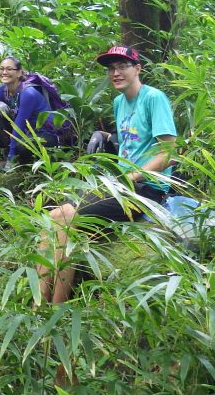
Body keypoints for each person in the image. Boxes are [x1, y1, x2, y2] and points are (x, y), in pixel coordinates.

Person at [38, 45, 177, 305]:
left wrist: (131, 178)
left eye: (122, 66)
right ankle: (39, 303)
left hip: (146, 188)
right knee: (55, 217)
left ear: (138, 68)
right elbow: (132, 142)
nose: (116, 73)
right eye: (111, 68)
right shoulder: (118, 102)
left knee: (67, 219)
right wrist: (105, 138)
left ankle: (53, 308)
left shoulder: (153, 98)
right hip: (119, 184)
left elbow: (168, 154)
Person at [0, 56, 62, 171]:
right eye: (1, 69)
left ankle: (17, 159)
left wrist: (11, 159)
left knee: (22, 147)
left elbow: (19, 125)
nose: (4, 72)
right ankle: (8, 151)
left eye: (9, 69)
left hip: (45, 134)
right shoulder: (3, 89)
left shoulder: (28, 93)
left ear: (19, 73)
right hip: (27, 131)